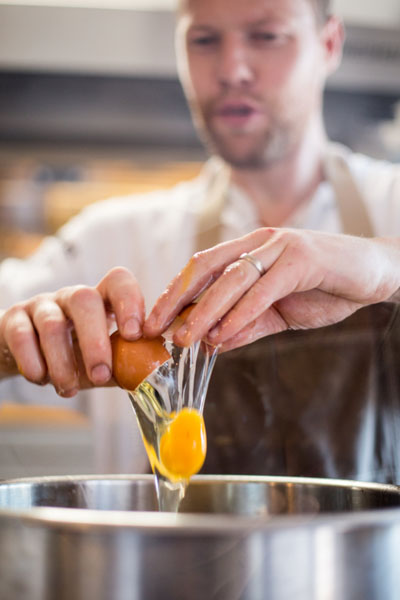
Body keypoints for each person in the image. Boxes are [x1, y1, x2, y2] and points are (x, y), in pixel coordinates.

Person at [1, 0, 400, 480]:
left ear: (329, 43)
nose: (231, 69)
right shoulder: (111, 240)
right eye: (204, 39)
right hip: (170, 556)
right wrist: (13, 345)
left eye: (266, 35)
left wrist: (385, 267)